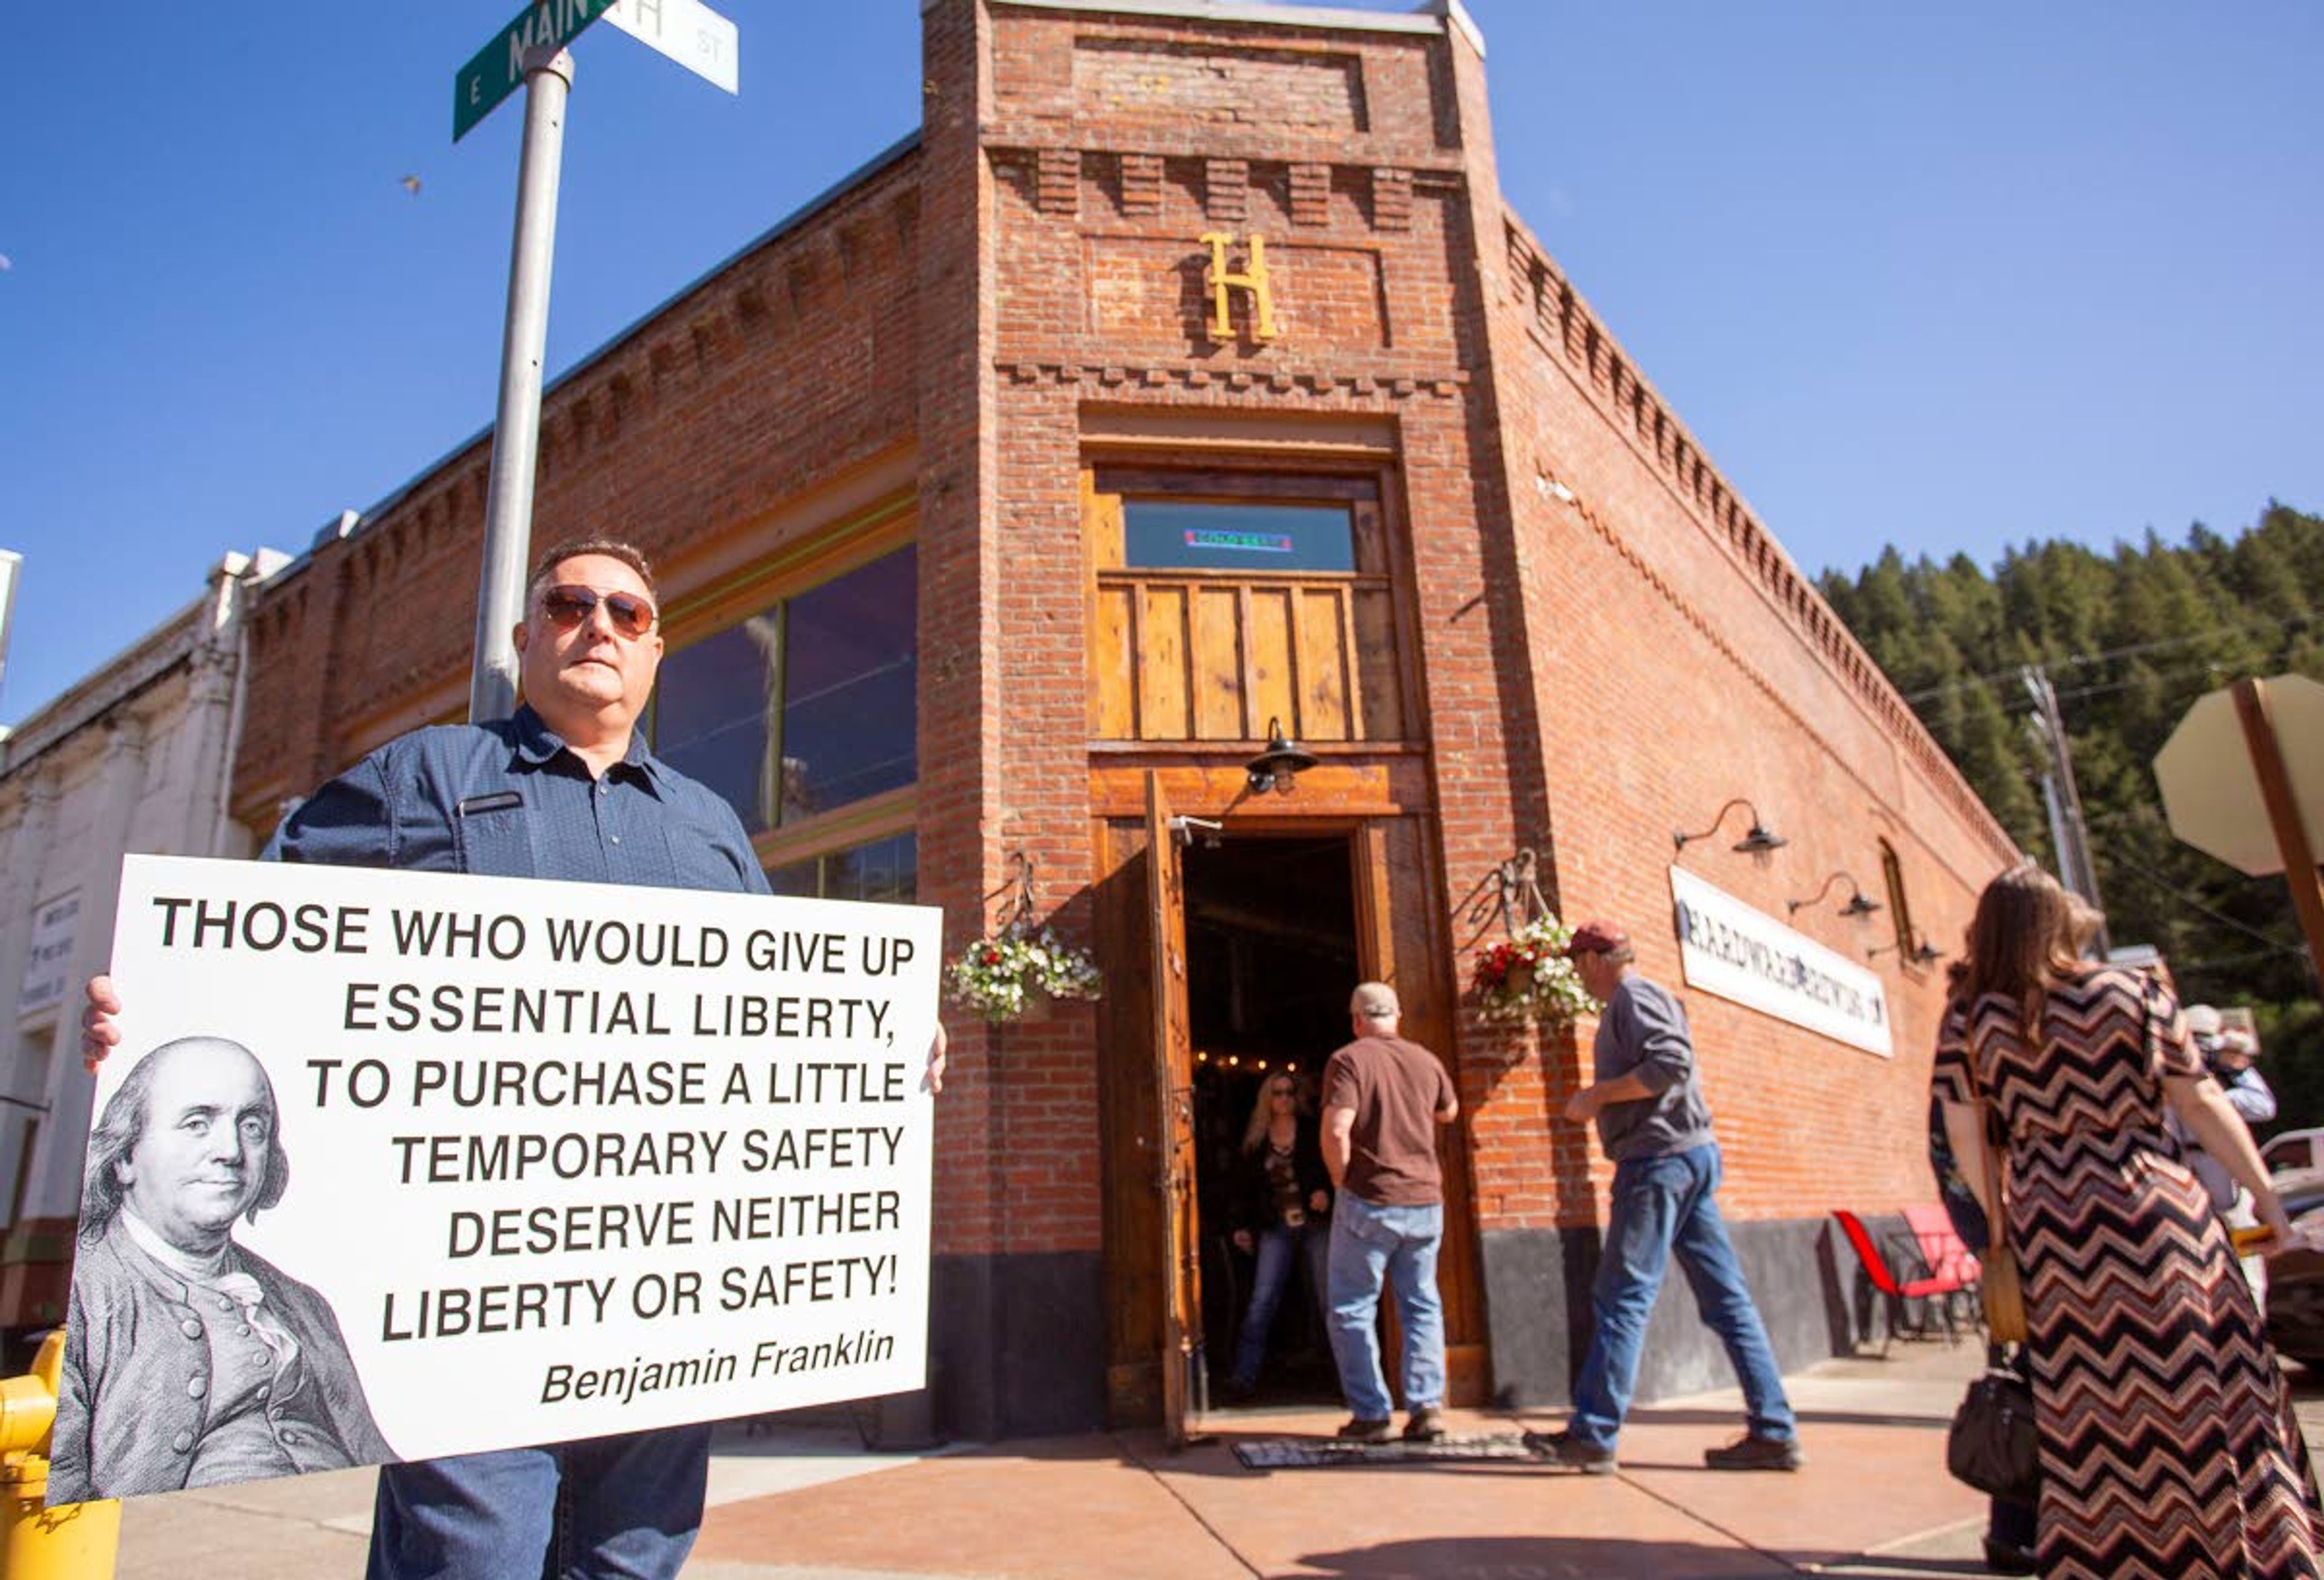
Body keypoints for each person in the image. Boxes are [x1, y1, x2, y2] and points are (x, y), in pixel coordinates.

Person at [82, 537, 947, 1580]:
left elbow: (778, 1016)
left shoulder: (712, 828)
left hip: (664, 1283)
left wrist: (881, 1045)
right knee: (474, 1559)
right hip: (473, 1292)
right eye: (573, 604)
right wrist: (154, 1009)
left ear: (656, 650)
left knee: (635, 1557)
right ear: (526, 636)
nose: (601, 626)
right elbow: (249, 932)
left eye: (627, 614)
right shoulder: (429, 776)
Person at [1932, 864, 2318, 1578]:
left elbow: (1967, 1136)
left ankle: (2113, 1556)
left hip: (2053, 1226)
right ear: (2058, 922)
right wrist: (2267, 1203)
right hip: (2156, 1207)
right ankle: (2238, 1549)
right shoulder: (2133, 994)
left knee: (2091, 1412)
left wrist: (2001, 1227)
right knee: (2208, 1384)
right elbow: (2202, 1100)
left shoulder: (1971, 1016)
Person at [50, 1035, 393, 1504]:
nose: (230, 1150)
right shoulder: (85, 1291)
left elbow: (379, 1456)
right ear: (127, 1155)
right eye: (197, 1123)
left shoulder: (303, 1302)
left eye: (252, 1126)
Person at [1528, 918, 1802, 1473]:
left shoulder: (1633, 995)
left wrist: (1596, 1096)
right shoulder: (1638, 998)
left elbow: (1670, 1065)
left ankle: (1594, 1434)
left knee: (1622, 1296)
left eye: (1580, 964)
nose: (1580, 978)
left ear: (1595, 960)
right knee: (1727, 1300)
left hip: (1657, 1163)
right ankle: (1773, 1429)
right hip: (1685, 1159)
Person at [1319, 982, 1457, 1445]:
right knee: (1421, 1304)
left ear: (1357, 1018)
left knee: (1352, 1306)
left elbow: (1338, 1127)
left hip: (1370, 1198)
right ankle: (1426, 1409)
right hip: (1425, 1199)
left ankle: (1372, 1414)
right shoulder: (1426, 1059)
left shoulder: (1349, 1060)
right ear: (1396, 1015)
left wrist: (1342, 1181)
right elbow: (1449, 1112)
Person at [1223, 1070, 1331, 1402]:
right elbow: (1242, 1187)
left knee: (1328, 1299)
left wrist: (1326, 1194)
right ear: (1267, 1099)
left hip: (1314, 1225)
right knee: (1263, 1300)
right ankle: (1244, 1375)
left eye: (1289, 1092)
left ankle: (1345, 1376)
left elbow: (1332, 1169)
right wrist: (1241, 1225)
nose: (1284, 1099)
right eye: (1278, 1093)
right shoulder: (1257, 1140)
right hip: (1277, 1227)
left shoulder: (1311, 1132)